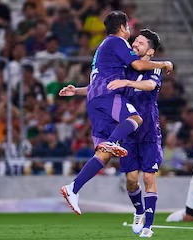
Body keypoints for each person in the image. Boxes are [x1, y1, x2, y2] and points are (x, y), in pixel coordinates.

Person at [59, 11, 173, 215]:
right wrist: (164, 63)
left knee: (103, 155)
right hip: (108, 97)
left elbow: (101, 80)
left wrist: (76, 90)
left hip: (94, 99)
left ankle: (73, 188)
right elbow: (138, 65)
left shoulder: (105, 48)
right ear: (122, 27)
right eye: (129, 28)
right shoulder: (117, 42)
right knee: (135, 118)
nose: (131, 33)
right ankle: (113, 141)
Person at [107, 29, 163, 238]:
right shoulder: (125, 67)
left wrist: (128, 83)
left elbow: (149, 86)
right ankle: (139, 211)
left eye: (139, 43)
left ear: (150, 51)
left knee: (149, 176)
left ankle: (148, 226)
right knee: (131, 180)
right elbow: (105, 86)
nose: (134, 45)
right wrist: (77, 90)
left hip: (149, 131)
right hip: (129, 132)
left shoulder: (154, 69)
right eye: (135, 41)